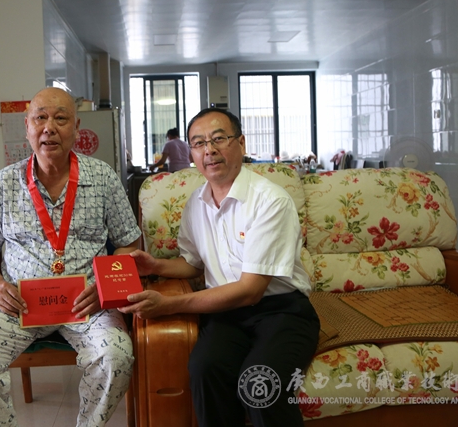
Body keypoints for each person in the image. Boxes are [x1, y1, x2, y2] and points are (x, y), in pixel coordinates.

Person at [0, 87, 142, 427]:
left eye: (60, 118)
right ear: (27, 127)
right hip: (19, 303)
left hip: (88, 303)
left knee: (117, 356)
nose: (49, 127)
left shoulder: (103, 178)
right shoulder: (3, 184)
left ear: (76, 128)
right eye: (40, 118)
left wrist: (105, 288)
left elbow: (129, 243)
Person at [119, 109, 319, 427]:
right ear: (192, 153)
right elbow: (192, 264)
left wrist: (169, 305)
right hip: (225, 313)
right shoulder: (195, 204)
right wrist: (155, 265)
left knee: (260, 382)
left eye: (218, 139)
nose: (209, 150)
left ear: (241, 143)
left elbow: (250, 291)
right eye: (199, 143)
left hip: (282, 310)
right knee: (204, 368)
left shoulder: (270, 201)